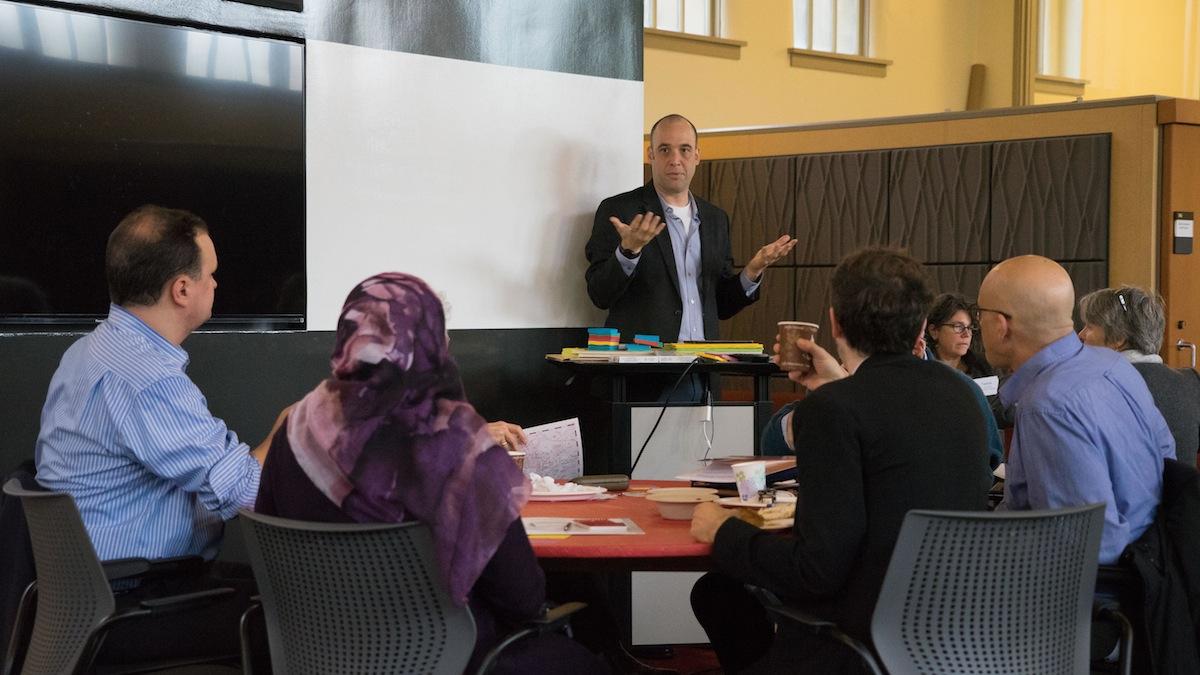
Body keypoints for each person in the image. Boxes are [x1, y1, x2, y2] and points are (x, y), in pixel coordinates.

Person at [254, 273, 605, 675]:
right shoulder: (460, 448)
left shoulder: (293, 432)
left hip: (318, 657)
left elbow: (269, 554)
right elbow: (522, 599)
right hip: (449, 659)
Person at [688, 247, 992, 674]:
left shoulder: (833, 410)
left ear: (834, 323)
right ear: (922, 326)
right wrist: (836, 386)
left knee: (719, 590)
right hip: (954, 640)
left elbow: (816, 572)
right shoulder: (963, 395)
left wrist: (723, 532)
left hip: (859, 647)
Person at [35, 204, 287, 664]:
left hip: (85, 600)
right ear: (182, 289)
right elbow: (247, 492)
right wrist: (289, 427)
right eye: (211, 274)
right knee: (305, 617)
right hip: (130, 604)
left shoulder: (89, 352)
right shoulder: (147, 380)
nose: (216, 284)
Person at [977, 257, 1175, 564]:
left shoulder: (1049, 406)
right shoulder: (1113, 365)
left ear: (1002, 326)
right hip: (1154, 560)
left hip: (1092, 585)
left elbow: (1083, 547)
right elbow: (1167, 461)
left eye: (980, 314)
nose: (978, 324)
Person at [585, 114, 795, 344]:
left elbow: (722, 306)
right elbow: (599, 295)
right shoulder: (620, 210)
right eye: (665, 150)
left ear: (696, 156)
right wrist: (628, 251)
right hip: (646, 363)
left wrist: (753, 270)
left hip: (703, 361)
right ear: (651, 154)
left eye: (684, 150)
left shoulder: (715, 219)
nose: (675, 160)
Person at [761, 331, 1004, 471]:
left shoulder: (961, 391)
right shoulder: (837, 382)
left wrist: (848, 394)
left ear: (918, 345)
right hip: (957, 542)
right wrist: (836, 392)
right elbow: (773, 450)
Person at [1078, 285, 1200, 464]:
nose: (1081, 335)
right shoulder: (1191, 382)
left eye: (1089, 326)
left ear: (1118, 338)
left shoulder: (1094, 389)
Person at [925, 292, 993, 378]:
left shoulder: (982, 368)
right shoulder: (922, 368)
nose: (967, 334)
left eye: (969, 327)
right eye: (958, 327)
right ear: (934, 331)